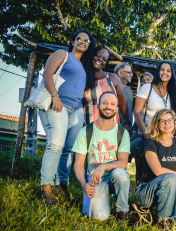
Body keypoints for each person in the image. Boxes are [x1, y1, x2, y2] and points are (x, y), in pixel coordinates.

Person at [39, 30, 96, 204]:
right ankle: (46, 187)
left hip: (76, 109)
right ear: (72, 41)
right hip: (57, 104)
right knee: (56, 145)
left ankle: (62, 186)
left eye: (86, 41)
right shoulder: (62, 54)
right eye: (79, 39)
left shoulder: (84, 65)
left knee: (68, 150)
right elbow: (47, 74)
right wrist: (55, 97)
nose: (82, 42)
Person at [134, 109, 176, 225]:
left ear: (175, 122)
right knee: (170, 177)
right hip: (147, 192)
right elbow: (158, 171)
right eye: (163, 121)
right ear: (157, 124)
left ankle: (175, 221)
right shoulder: (151, 143)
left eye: (170, 120)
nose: (167, 124)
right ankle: (163, 220)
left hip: (171, 190)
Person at [73, 92, 131, 220]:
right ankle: (104, 199)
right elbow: (78, 163)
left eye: (112, 104)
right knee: (101, 217)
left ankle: (122, 211)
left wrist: (104, 166)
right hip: (95, 180)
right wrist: (84, 184)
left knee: (120, 173)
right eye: (104, 103)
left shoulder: (122, 132)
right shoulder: (85, 132)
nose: (108, 107)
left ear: (116, 109)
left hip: (113, 177)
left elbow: (123, 163)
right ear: (98, 106)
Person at [83, 47, 131, 130]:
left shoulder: (112, 78)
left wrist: (128, 122)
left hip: (111, 126)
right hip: (89, 125)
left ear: (105, 63)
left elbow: (122, 101)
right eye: (98, 56)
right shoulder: (83, 77)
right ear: (92, 56)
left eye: (104, 59)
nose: (100, 59)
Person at [134, 62, 176, 140]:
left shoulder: (172, 92)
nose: (165, 72)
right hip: (149, 132)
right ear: (158, 72)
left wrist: (171, 134)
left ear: (172, 75)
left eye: (168, 71)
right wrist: (145, 134)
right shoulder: (147, 88)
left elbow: (174, 115)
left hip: (165, 135)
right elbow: (136, 112)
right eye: (162, 70)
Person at [114, 62, 135, 126]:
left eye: (131, 73)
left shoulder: (129, 90)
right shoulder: (112, 89)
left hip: (127, 129)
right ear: (120, 73)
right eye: (129, 72)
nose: (132, 75)